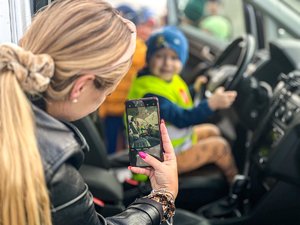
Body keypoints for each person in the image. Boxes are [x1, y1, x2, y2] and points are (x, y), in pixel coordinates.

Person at [0, 1, 179, 225]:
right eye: (107, 91)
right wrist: (162, 197)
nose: (103, 98)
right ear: (80, 87)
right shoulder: (57, 175)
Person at [127, 26, 238, 183]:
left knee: (213, 130)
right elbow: (181, 118)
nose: (167, 63)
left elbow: (177, 102)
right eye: (160, 56)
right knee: (220, 147)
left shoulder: (163, 79)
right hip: (157, 163)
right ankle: (236, 186)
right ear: (149, 58)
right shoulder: (150, 93)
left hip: (171, 145)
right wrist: (212, 104)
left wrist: (194, 89)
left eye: (174, 58)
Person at [98, 4, 149, 154]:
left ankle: (113, 162)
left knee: (112, 140)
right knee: (131, 139)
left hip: (113, 109)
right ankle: (127, 164)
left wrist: (102, 111)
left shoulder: (107, 50)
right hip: (131, 107)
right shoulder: (143, 50)